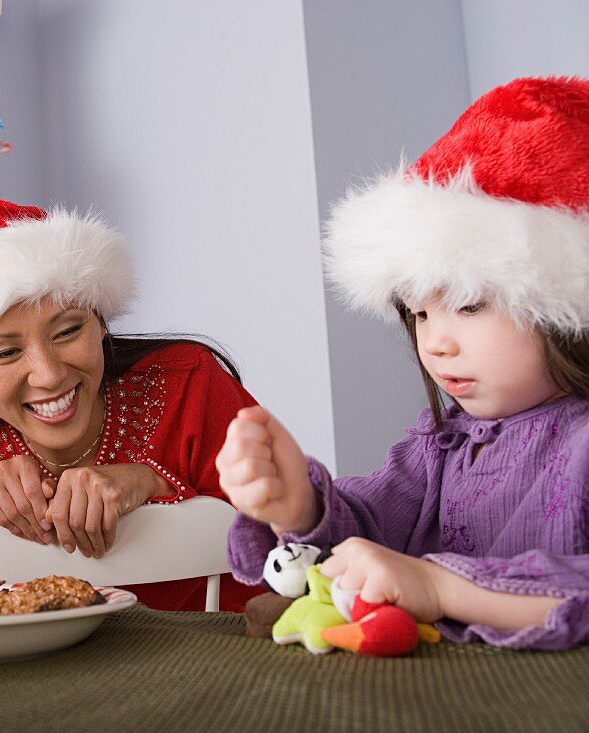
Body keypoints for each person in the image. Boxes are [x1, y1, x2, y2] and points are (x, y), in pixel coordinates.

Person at [219, 77, 589, 649]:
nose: (434, 342)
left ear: (565, 304)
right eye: (418, 315)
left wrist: (440, 587)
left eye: (468, 304)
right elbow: (366, 533)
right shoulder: (440, 446)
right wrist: (301, 507)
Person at [0, 199, 262, 612]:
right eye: (4, 354)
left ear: (100, 320)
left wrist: (152, 482)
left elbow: (294, 534)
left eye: (68, 330)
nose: (49, 374)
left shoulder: (190, 382)